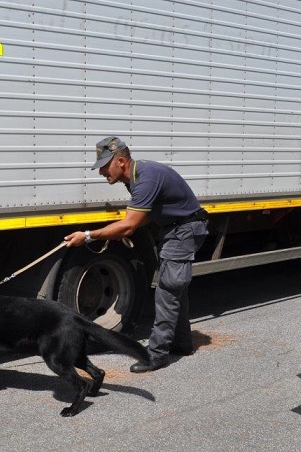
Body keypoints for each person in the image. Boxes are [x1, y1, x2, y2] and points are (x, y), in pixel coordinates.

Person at [64, 137, 208, 372]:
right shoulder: (137, 176)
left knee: (167, 290)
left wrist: (89, 235)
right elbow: (143, 217)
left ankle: (157, 354)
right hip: (176, 228)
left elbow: (130, 225)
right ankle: (182, 344)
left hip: (184, 230)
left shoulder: (145, 178)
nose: (100, 171)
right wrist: (117, 230)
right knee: (174, 289)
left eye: (103, 165)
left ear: (120, 161)